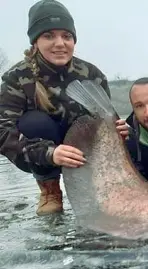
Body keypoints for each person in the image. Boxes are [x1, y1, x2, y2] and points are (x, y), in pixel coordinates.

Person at [0, 0, 110, 216]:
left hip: (83, 151)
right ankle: (50, 191)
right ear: (35, 41)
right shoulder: (17, 78)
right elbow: (2, 132)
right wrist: (49, 153)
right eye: (49, 36)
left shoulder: (92, 75)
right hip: (43, 151)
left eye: (66, 36)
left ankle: (96, 188)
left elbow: (105, 121)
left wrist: (119, 130)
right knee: (34, 122)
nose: (59, 43)